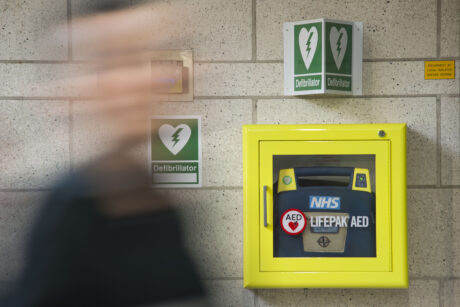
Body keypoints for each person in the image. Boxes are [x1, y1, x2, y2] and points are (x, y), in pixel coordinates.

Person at [2, 1, 207, 306]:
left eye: (152, 56)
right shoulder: (68, 213)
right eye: (113, 63)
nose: (142, 80)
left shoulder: (147, 198)